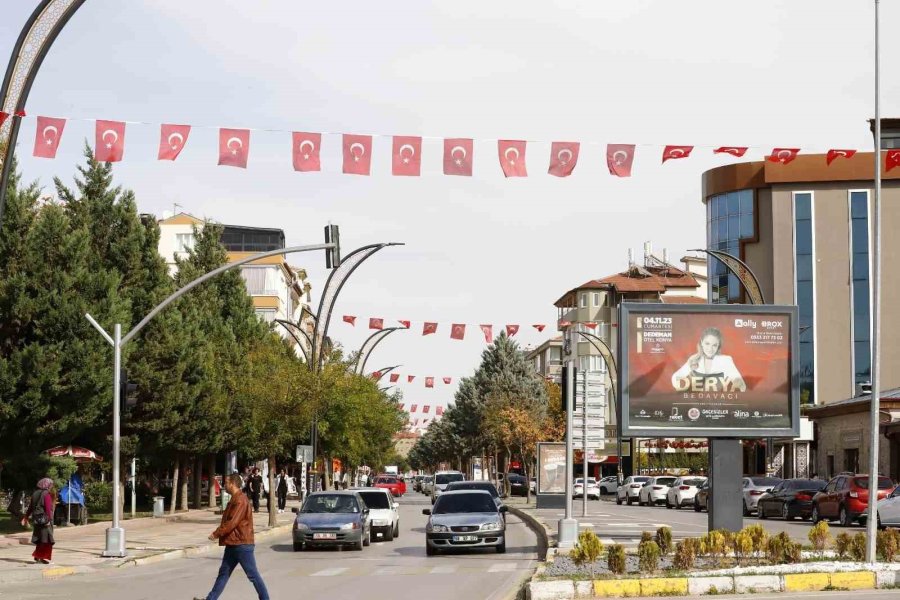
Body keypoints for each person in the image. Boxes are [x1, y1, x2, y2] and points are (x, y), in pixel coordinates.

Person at [194, 474, 269, 600]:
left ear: (233, 484)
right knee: (223, 574)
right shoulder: (235, 498)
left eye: (226, 483)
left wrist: (216, 533)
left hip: (242, 544)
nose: (224, 485)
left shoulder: (240, 500)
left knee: (253, 575)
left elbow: (232, 522)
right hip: (233, 543)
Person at [671, 327, 746, 392]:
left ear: (718, 346)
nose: (710, 349)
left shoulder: (726, 360)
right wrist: (684, 390)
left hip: (719, 405)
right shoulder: (694, 359)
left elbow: (742, 386)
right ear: (701, 343)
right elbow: (675, 377)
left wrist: (736, 384)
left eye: (714, 345)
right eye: (707, 343)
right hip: (697, 405)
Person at [20, 478, 55, 564]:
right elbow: (47, 508)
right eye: (50, 485)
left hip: (37, 519)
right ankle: (40, 557)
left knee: (40, 538)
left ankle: (39, 557)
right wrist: (49, 520)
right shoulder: (46, 494)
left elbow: (30, 507)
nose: (51, 486)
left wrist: (26, 517)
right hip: (45, 520)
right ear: (47, 485)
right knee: (45, 539)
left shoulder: (35, 493)